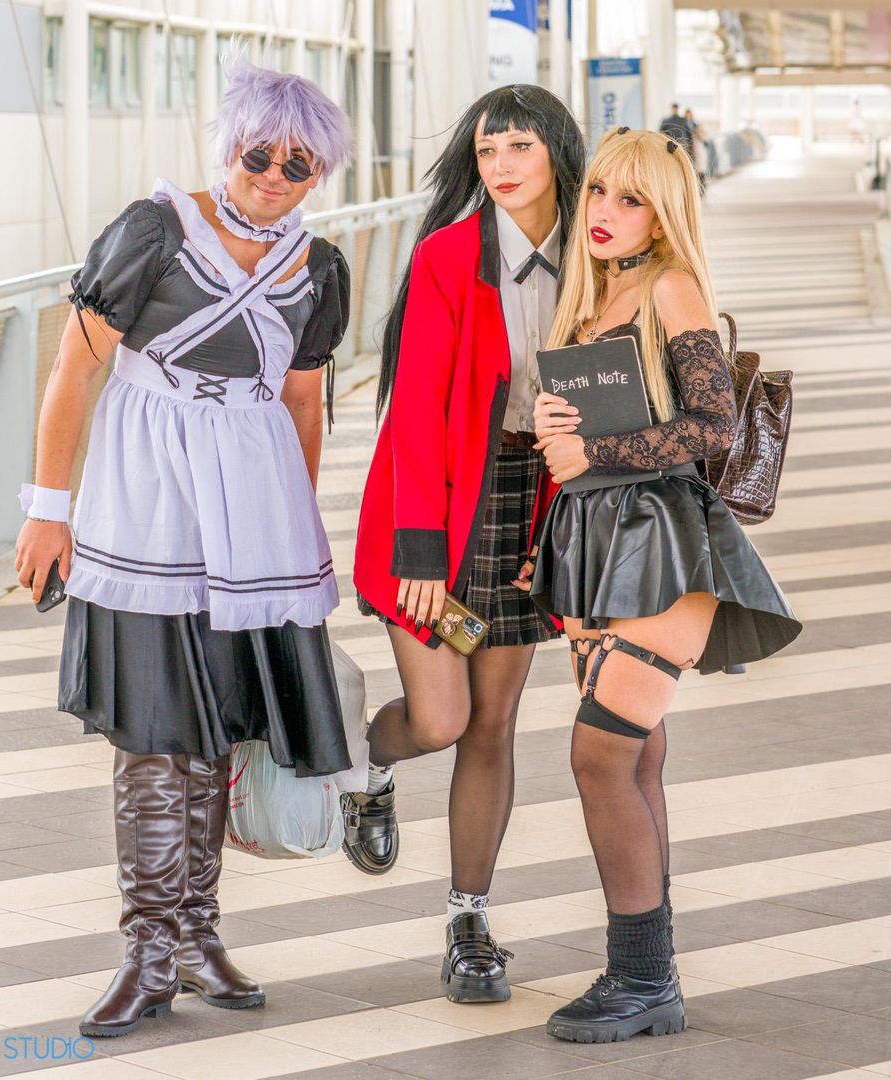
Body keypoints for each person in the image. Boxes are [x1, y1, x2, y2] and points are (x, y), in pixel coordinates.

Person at [14, 63, 353, 1038]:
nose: (275, 175)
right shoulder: (154, 232)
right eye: (259, 155)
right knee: (156, 735)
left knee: (220, 732)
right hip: (146, 504)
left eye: (298, 164)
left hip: (255, 517)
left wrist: (296, 525)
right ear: (228, 147)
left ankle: (197, 937)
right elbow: (74, 368)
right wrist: (47, 511)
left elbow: (301, 401)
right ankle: (149, 952)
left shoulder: (318, 268)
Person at [528, 126, 802, 1043]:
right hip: (597, 541)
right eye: (599, 192)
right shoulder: (591, 295)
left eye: (631, 198)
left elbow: (714, 425)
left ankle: (642, 977)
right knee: (636, 756)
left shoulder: (671, 285)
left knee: (600, 756)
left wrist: (593, 451)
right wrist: (556, 429)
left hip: (664, 541)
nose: (605, 212)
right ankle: (650, 975)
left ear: (664, 212)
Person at [350, 84, 584, 1002]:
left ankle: (468, 923)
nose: (500, 166)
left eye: (519, 146)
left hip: (528, 508)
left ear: (557, 152)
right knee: (440, 718)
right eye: (488, 151)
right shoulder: (449, 257)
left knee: (492, 724)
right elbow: (412, 410)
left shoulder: (595, 256)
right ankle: (368, 762)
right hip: (438, 516)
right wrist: (417, 551)